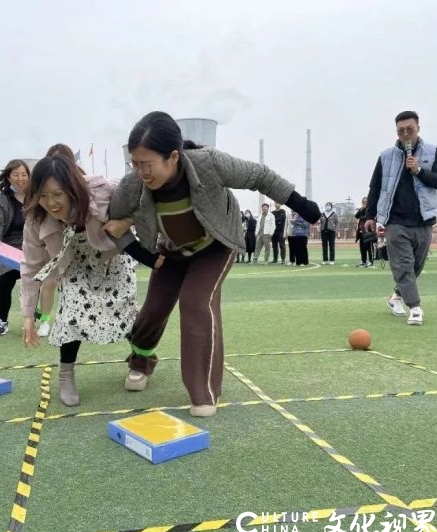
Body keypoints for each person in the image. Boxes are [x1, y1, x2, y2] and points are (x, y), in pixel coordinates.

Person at [106, 111, 320, 417]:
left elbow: (259, 175)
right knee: (153, 309)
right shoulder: (132, 186)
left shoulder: (209, 164)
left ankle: (203, 392)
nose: (140, 171)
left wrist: (301, 204)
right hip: (171, 253)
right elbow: (113, 226)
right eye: (134, 163)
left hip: (214, 246)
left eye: (146, 164)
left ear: (173, 157)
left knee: (196, 302)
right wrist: (147, 258)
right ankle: (140, 362)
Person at [21, 154, 155, 406]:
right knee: (70, 312)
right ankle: (66, 374)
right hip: (74, 263)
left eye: (57, 194)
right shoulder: (35, 218)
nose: (51, 203)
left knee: (126, 312)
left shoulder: (103, 190)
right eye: (43, 195)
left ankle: (141, 361)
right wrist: (28, 315)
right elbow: (30, 266)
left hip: (111, 256)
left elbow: (147, 196)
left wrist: (127, 221)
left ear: (72, 188)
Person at [364, 110, 437, 325]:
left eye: (409, 129)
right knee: (403, 263)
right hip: (395, 220)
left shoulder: (434, 153)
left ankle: (396, 297)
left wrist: (418, 170)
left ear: (418, 128)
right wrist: (370, 215)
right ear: (396, 132)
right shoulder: (386, 156)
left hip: (423, 219)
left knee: (416, 265)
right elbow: (375, 187)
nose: (405, 134)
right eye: (401, 131)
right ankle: (415, 307)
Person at [0, 160, 57, 336]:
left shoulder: (36, 195)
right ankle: (1, 320)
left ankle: (33, 317)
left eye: (24, 174)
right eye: (16, 175)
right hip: (10, 245)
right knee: (4, 281)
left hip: (34, 244)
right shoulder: (2, 199)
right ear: (9, 177)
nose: (20, 178)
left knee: (34, 281)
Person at [354, 197, 374, 267]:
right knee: (362, 247)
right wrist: (360, 210)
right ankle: (363, 261)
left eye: (366, 201)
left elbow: (367, 217)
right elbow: (356, 216)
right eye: (363, 201)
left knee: (368, 247)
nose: (365, 202)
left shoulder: (370, 209)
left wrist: (361, 216)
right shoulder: (362, 209)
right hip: (360, 231)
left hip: (368, 230)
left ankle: (371, 261)